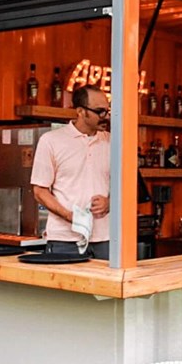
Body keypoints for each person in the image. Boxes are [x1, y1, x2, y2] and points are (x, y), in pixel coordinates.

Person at [30, 85, 111, 259]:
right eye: (100, 111)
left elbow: (129, 186)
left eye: (107, 110)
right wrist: (70, 216)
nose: (106, 116)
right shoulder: (51, 141)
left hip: (107, 238)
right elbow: (39, 191)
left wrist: (110, 202)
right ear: (81, 111)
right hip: (64, 239)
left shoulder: (113, 141)